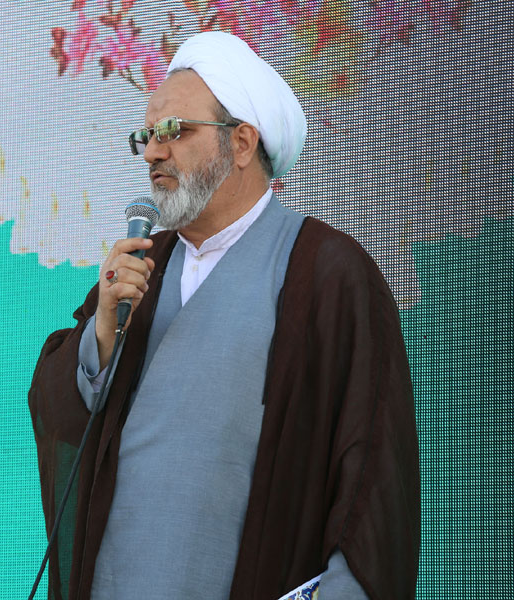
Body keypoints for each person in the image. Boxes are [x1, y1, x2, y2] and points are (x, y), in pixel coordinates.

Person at [28, 31, 420, 600]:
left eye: (174, 131)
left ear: (241, 143)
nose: (153, 153)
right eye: (147, 136)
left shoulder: (326, 271)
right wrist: (103, 331)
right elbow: (59, 411)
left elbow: (372, 471)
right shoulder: (140, 270)